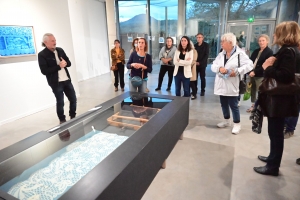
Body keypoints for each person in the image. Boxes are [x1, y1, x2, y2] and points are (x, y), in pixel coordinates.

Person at [253, 21, 300, 176]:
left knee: (276, 132)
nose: (274, 35)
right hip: (282, 99)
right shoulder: (289, 50)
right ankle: (272, 158)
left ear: (284, 34)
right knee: (275, 132)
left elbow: (285, 76)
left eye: (277, 32)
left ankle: (273, 166)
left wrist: (268, 68)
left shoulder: (287, 51)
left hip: (280, 99)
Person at [211, 33, 253, 134]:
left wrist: (237, 71)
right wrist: (219, 68)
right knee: (223, 104)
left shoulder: (240, 54)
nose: (221, 43)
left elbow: (250, 65)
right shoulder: (222, 53)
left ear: (230, 43)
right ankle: (226, 120)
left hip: (232, 84)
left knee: (233, 105)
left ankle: (237, 124)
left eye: (223, 41)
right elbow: (213, 65)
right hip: (221, 83)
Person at [38, 33, 77, 124]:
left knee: (73, 99)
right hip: (56, 83)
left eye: (55, 40)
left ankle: (73, 116)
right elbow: (44, 71)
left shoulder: (60, 50)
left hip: (66, 80)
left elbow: (69, 63)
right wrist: (59, 66)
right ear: (45, 42)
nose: (55, 42)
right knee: (60, 102)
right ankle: (62, 120)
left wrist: (66, 63)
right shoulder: (42, 55)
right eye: (52, 41)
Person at [247, 34, 273, 112]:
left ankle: (260, 106)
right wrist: (250, 71)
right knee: (252, 90)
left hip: (261, 75)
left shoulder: (269, 52)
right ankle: (253, 105)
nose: (261, 42)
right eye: (260, 41)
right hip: (252, 73)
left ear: (267, 41)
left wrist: (255, 71)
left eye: (263, 41)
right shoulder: (256, 51)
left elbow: (266, 65)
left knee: (260, 91)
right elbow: (250, 61)